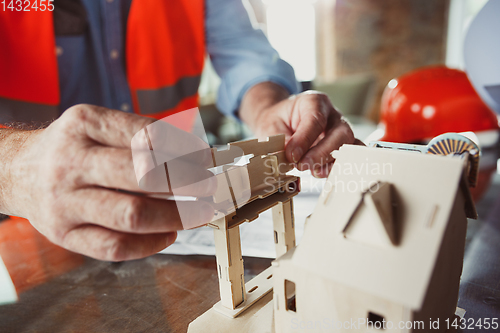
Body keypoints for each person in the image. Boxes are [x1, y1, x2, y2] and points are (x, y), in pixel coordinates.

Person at [0, 0, 356, 261]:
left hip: (174, 231)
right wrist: (14, 170)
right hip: (31, 238)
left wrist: (268, 108)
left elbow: (241, 50)